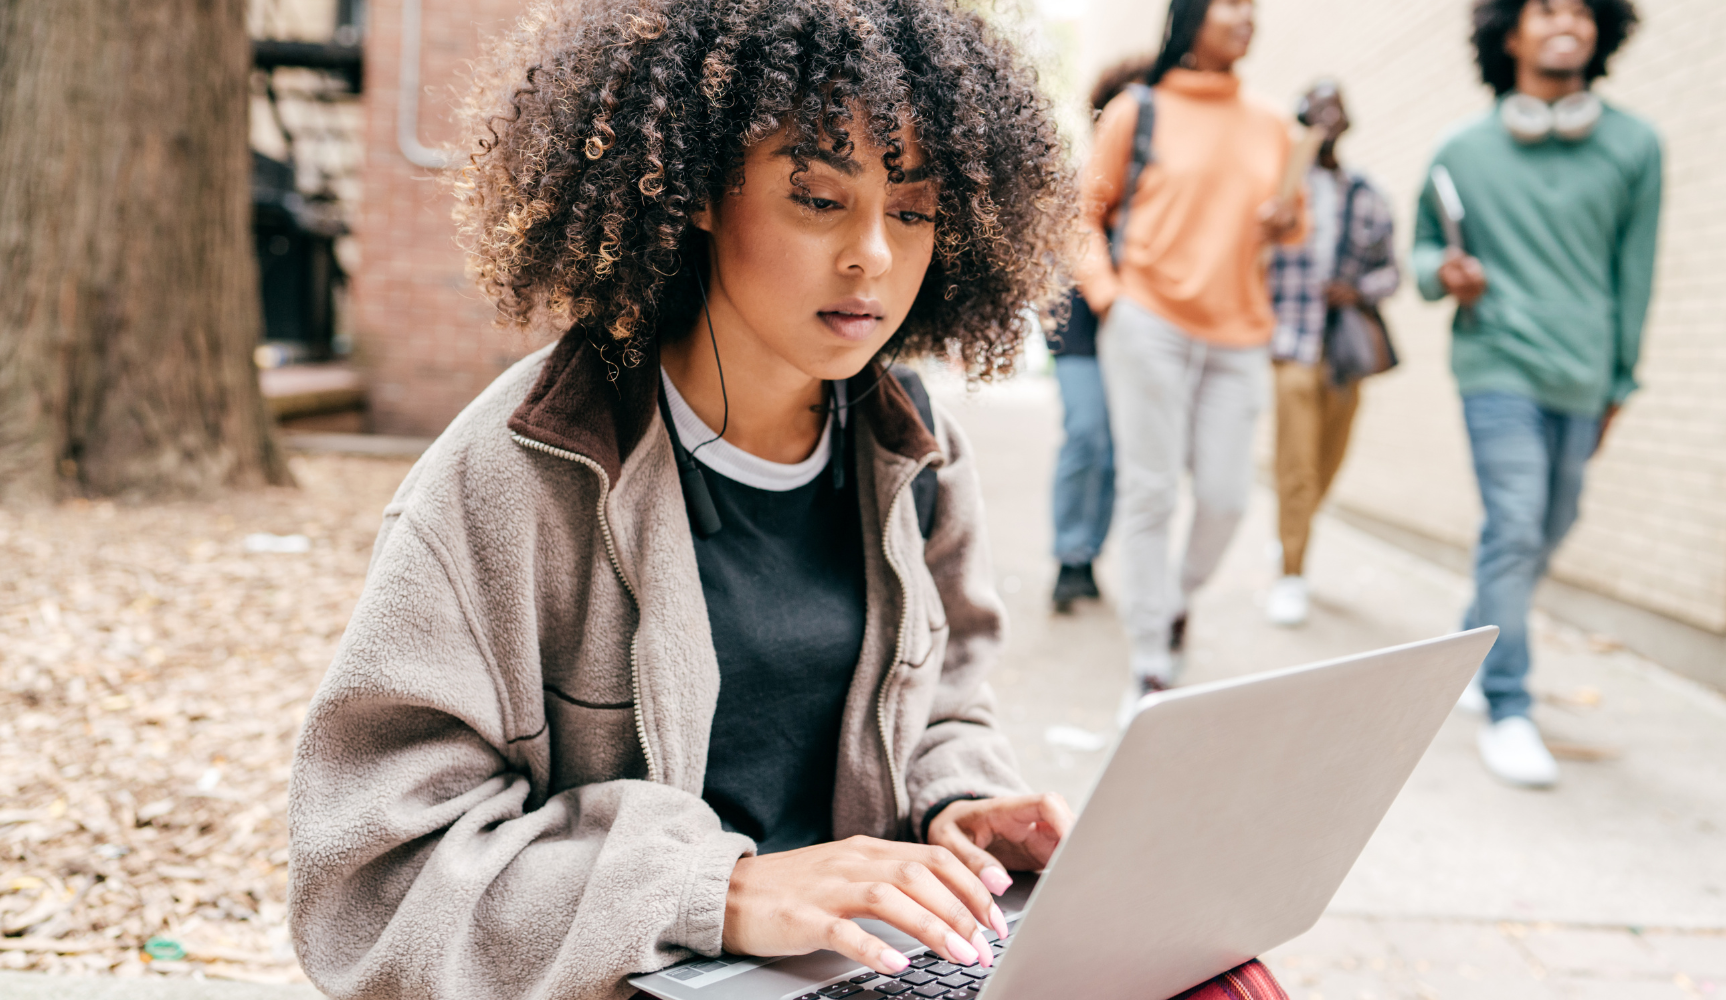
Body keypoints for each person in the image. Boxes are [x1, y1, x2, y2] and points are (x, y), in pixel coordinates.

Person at [285, 1, 1288, 998]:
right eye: (818, 198)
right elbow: (373, 883)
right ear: (696, 190)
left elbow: (943, 702)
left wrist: (960, 802)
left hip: (870, 960)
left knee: (1223, 977)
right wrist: (713, 890)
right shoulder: (514, 476)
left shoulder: (917, 447)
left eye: (911, 210)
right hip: (641, 974)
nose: (873, 258)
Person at [1413, 0, 1657, 788]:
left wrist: (1621, 381)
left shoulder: (1635, 147)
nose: (1568, 22)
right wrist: (1440, 272)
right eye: (1547, 8)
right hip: (1497, 364)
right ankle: (1508, 700)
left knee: (1553, 521)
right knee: (1516, 523)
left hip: (1583, 371)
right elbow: (1423, 249)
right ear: (1508, 33)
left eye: (1584, 10)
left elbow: (1636, 276)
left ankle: (1474, 637)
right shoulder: (1461, 151)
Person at [1078, 0, 1301, 708]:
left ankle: (1173, 598)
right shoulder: (1137, 111)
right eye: (1229, 3)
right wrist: (1110, 298)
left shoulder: (1274, 126)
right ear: (1191, 15)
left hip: (1239, 335)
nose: (1246, 16)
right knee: (1150, 490)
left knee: (1228, 498)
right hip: (1150, 321)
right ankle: (1149, 661)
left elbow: (1293, 235)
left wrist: (1286, 221)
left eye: (1252, 6)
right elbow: (1083, 212)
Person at [1264, 79, 1400, 627]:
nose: (1326, 117)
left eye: (1335, 108)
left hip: (1343, 349)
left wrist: (1359, 290)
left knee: (1328, 461)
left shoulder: (1369, 193)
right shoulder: (1281, 183)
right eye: (1315, 108)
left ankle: (1289, 535)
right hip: (1291, 341)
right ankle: (1291, 571)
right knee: (1295, 463)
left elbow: (1393, 271)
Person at [1048, 55, 1153, 615]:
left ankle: (1088, 556)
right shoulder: (1077, 178)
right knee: (1087, 432)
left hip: (1139, 330)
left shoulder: (1159, 183)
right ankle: (1067, 555)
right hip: (1081, 327)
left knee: (1117, 450)